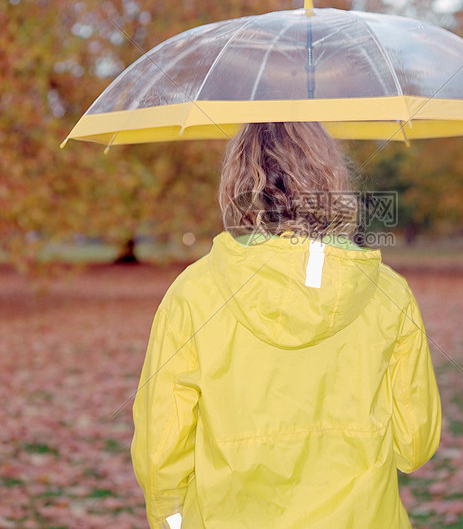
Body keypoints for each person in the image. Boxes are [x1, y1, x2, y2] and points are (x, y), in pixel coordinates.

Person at [131, 122, 441, 528]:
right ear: (330, 179)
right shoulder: (390, 294)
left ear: (237, 182)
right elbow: (413, 446)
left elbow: (162, 451)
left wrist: (169, 521)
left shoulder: (192, 294)